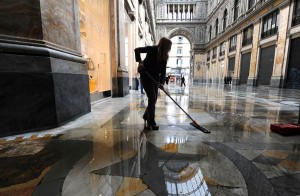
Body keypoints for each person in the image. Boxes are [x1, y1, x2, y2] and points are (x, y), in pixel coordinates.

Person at [135, 37, 172, 130]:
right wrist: (140, 62)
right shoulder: (152, 49)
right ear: (164, 45)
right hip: (146, 76)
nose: (170, 49)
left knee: (154, 99)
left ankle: (146, 115)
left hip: (155, 79)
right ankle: (151, 122)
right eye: (169, 46)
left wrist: (162, 83)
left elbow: (163, 72)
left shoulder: (165, 57)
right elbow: (137, 50)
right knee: (152, 98)